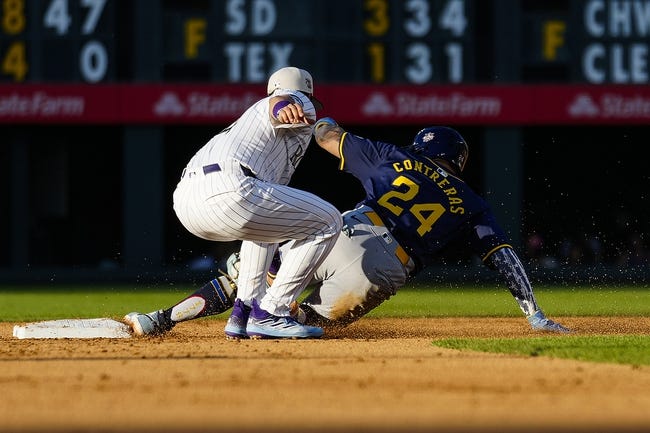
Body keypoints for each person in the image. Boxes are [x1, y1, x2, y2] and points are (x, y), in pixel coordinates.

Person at [124, 121, 568, 337]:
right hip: (384, 269)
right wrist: (534, 313)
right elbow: (504, 257)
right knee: (300, 321)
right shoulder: (472, 203)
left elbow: (327, 135)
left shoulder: (392, 156)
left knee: (248, 279)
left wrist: (313, 120)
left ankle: (160, 320)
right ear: (458, 161)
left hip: (344, 232)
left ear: (420, 148)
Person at [125, 67, 343, 340]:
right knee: (330, 220)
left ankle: (245, 311)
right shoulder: (288, 100)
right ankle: (273, 312)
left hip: (187, 200)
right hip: (230, 185)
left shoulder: (253, 132)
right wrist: (286, 104)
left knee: (267, 227)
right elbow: (281, 101)